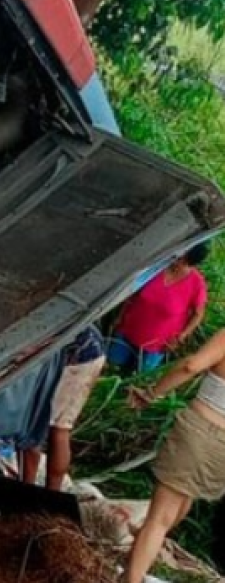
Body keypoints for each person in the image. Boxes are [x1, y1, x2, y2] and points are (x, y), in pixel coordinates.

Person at [123, 328, 225, 583]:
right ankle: (132, 567)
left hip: (201, 429)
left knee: (158, 519)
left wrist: (151, 393)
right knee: (181, 499)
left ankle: (131, 579)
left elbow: (191, 366)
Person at [21, 325, 107, 490]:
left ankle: (27, 488)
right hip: (91, 348)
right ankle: (52, 491)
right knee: (60, 428)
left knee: (32, 425)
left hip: (70, 349)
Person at [108, 244, 210, 375]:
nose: (176, 260)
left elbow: (198, 314)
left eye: (181, 258)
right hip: (128, 329)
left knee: (138, 376)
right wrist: (120, 316)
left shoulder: (197, 284)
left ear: (187, 260)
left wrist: (182, 336)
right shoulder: (157, 267)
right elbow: (133, 293)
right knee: (112, 368)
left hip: (157, 344)